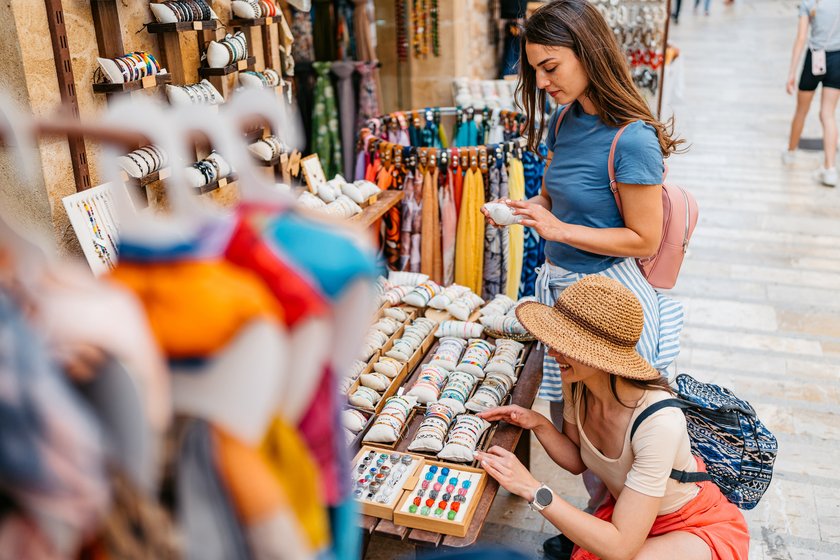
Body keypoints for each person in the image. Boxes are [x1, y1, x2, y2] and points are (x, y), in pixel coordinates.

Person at [480, 1, 685, 555]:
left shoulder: (633, 138)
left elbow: (643, 238)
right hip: (561, 293)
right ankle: (595, 531)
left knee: (614, 430)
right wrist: (525, 208)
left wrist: (560, 229)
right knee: (575, 427)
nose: (542, 81)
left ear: (588, 53)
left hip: (610, 302)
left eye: (551, 67)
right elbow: (555, 196)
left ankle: (618, 536)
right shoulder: (564, 120)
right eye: (535, 70)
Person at [474, 275, 750, 560]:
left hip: (689, 524)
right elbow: (577, 460)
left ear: (601, 356)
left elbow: (621, 547)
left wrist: (533, 489)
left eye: (565, 344)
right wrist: (537, 422)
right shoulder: (578, 382)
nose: (553, 352)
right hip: (631, 514)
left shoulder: (659, 422)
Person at [784, 0, 840, 187]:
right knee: (828, 114)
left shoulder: (809, 3)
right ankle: (830, 169)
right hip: (838, 59)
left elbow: (801, 39)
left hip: (814, 58)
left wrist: (791, 72)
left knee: (802, 110)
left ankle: (790, 153)